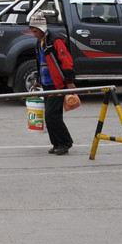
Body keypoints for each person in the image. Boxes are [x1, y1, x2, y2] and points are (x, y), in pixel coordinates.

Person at [29, 10, 77, 155]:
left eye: (35, 31)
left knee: (52, 115)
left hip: (57, 84)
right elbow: (41, 63)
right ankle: (57, 143)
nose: (34, 34)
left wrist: (69, 81)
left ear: (42, 28)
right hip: (47, 83)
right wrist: (38, 80)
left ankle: (65, 142)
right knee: (52, 115)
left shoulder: (55, 41)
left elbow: (66, 60)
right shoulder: (40, 42)